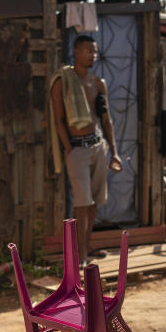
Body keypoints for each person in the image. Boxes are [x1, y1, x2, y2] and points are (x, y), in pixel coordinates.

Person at [50, 35, 123, 266]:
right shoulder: (63, 81)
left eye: (94, 51)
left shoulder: (98, 83)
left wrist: (114, 151)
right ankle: (80, 255)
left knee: (94, 202)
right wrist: (69, 149)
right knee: (81, 203)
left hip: (98, 146)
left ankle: (88, 244)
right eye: (88, 51)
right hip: (78, 151)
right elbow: (59, 120)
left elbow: (106, 119)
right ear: (76, 52)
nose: (92, 55)